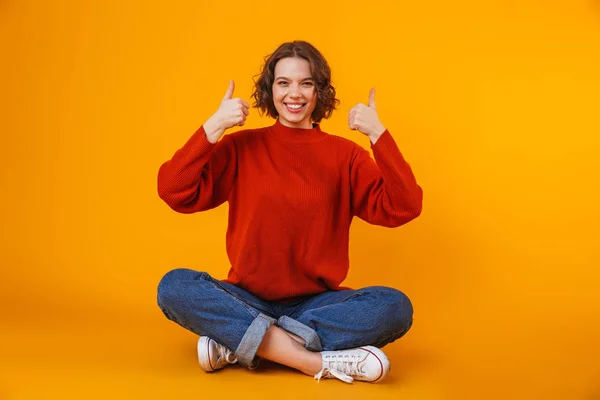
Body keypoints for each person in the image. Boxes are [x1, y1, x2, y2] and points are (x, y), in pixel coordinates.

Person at [156, 40, 423, 384]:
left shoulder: (346, 157)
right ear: (270, 90)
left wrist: (379, 135)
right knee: (174, 286)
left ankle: (241, 343)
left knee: (394, 307)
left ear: (319, 92)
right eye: (283, 82)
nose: (294, 94)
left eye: (306, 83)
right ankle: (310, 361)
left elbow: (405, 206)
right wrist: (213, 127)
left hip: (316, 306)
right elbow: (174, 190)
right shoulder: (241, 147)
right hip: (245, 297)